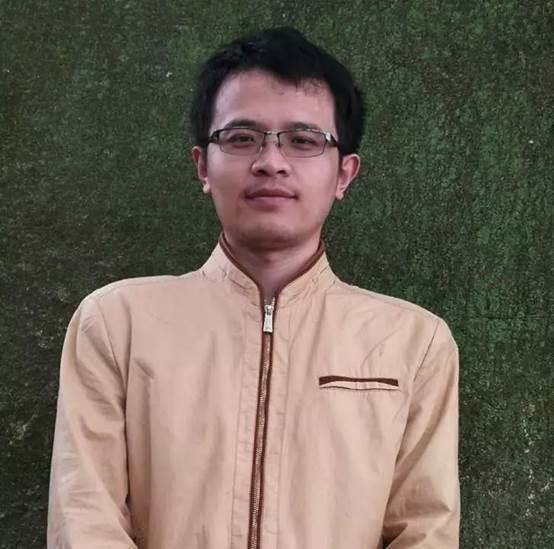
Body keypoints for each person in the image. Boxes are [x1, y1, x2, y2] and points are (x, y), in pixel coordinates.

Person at [47, 27, 459, 549]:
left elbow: (426, 531)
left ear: (344, 174)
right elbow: (85, 520)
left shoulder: (413, 343)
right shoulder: (116, 323)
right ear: (203, 165)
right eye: (242, 138)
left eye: (304, 141)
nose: (271, 161)